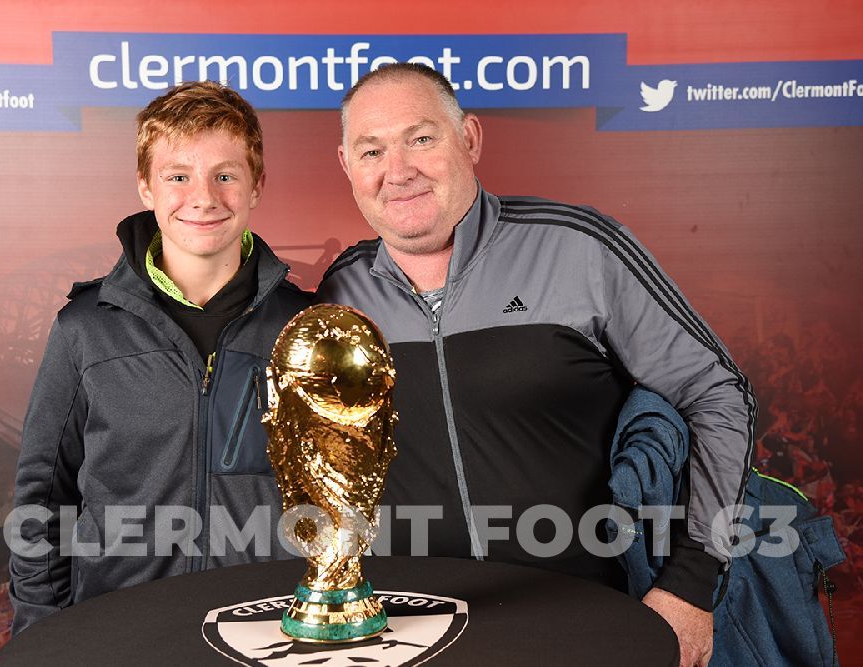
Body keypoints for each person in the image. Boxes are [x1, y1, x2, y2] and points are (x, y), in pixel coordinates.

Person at [316, 63, 756, 667]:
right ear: (347, 165)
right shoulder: (341, 290)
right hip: (409, 634)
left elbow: (718, 394)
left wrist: (692, 584)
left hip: (588, 624)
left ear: (468, 138)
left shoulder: (579, 246)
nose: (399, 171)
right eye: (373, 150)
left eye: (421, 138)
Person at [9, 82, 309, 634]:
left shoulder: (306, 329)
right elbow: (41, 503)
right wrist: (41, 639)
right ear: (146, 186)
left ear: (257, 185)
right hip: (122, 629)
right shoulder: (85, 330)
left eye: (226, 174)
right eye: (178, 176)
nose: (203, 197)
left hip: (270, 632)